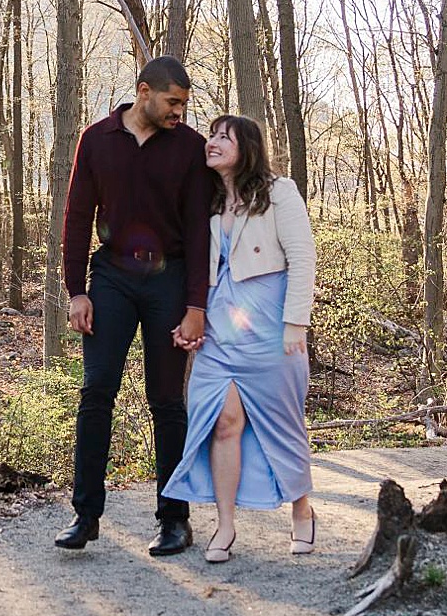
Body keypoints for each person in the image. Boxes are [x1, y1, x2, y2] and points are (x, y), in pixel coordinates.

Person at [54, 56, 212, 557]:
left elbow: (199, 231)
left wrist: (196, 305)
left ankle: (174, 520)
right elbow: (77, 216)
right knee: (96, 390)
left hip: (170, 279)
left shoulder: (189, 148)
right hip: (113, 278)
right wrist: (76, 290)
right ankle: (86, 515)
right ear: (144, 91)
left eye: (184, 105)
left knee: (166, 400)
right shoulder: (97, 139)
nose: (179, 113)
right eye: (173, 102)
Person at [164, 114, 318, 562]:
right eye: (210, 135)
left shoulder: (278, 192)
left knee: (282, 425)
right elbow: (194, 270)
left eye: (222, 137)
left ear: (245, 147)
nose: (211, 142)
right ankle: (225, 527)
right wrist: (192, 321)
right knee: (221, 422)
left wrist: (296, 323)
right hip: (220, 329)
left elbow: (303, 258)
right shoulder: (206, 201)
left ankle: (302, 511)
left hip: (271, 326)